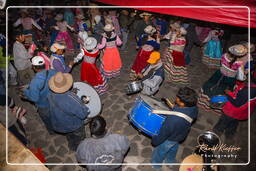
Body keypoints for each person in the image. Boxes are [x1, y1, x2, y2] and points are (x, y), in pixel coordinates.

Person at [151, 87, 198, 169]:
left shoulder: (173, 119)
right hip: (181, 135)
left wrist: (155, 141)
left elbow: (164, 133)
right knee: (173, 148)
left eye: (178, 98)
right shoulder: (194, 108)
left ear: (182, 104)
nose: (176, 98)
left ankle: (156, 165)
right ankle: (170, 161)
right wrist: (176, 108)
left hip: (170, 138)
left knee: (160, 151)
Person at [198, 44, 248, 114]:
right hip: (229, 80)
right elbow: (241, 77)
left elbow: (221, 63)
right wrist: (245, 73)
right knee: (222, 92)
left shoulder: (224, 56)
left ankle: (203, 101)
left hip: (219, 74)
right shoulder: (239, 64)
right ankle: (215, 104)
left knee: (210, 86)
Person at [48, 72, 90, 151]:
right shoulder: (71, 98)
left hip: (60, 123)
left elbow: (62, 101)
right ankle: (80, 148)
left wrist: (71, 93)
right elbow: (83, 114)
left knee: (70, 135)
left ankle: (72, 146)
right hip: (73, 125)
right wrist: (82, 103)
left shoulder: (50, 94)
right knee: (79, 137)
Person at [213, 68, 256, 141]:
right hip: (243, 111)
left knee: (223, 122)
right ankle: (230, 135)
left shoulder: (249, 91)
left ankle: (215, 135)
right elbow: (242, 98)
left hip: (233, 110)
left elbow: (237, 103)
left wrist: (228, 93)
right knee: (234, 122)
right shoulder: (251, 88)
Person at [22, 56, 57, 134]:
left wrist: (25, 91)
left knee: (47, 118)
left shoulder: (35, 82)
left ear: (34, 67)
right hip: (54, 100)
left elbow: (34, 98)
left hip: (44, 105)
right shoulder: (53, 72)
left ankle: (51, 131)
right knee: (55, 114)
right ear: (44, 64)